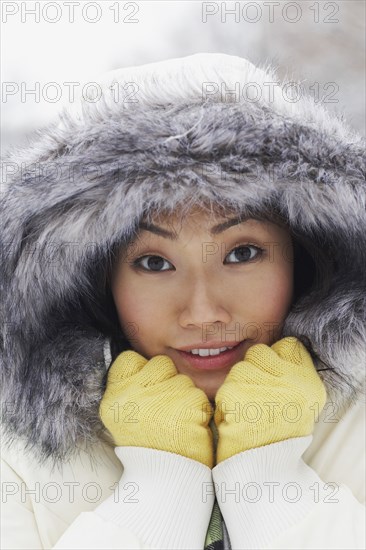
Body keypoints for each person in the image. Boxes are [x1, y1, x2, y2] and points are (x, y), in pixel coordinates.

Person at [0, 52, 365, 550]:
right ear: (90, 277)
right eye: (154, 263)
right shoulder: (16, 460)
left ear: (307, 253)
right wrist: (160, 489)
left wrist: (270, 481)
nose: (202, 312)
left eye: (241, 253)